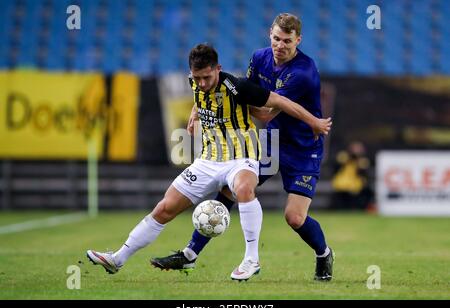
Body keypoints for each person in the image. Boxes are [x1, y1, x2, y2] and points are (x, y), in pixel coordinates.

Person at [87, 43, 332, 280]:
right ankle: (117, 259)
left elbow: (280, 102)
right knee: (164, 208)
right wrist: (194, 114)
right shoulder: (195, 82)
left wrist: (314, 121)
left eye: (207, 77)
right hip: (207, 161)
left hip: (241, 157)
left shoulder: (238, 87)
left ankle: (251, 259)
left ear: (218, 69)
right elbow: (201, 95)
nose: (202, 83)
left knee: (245, 189)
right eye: (197, 78)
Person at [151, 13, 335, 281]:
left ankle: (323, 254)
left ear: (298, 40)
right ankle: (189, 254)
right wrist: (200, 106)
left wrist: (227, 101)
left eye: (287, 40)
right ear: (269, 34)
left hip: (303, 149)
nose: (280, 45)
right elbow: (238, 94)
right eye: (276, 38)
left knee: (294, 218)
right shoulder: (259, 58)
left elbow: (262, 113)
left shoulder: (303, 73)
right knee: (231, 188)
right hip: (271, 141)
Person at [331, 141, 372, 210]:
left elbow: (363, 171)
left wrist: (357, 159)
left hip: (355, 186)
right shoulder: (344, 156)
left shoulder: (362, 160)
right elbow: (337, 164)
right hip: (341, 185)